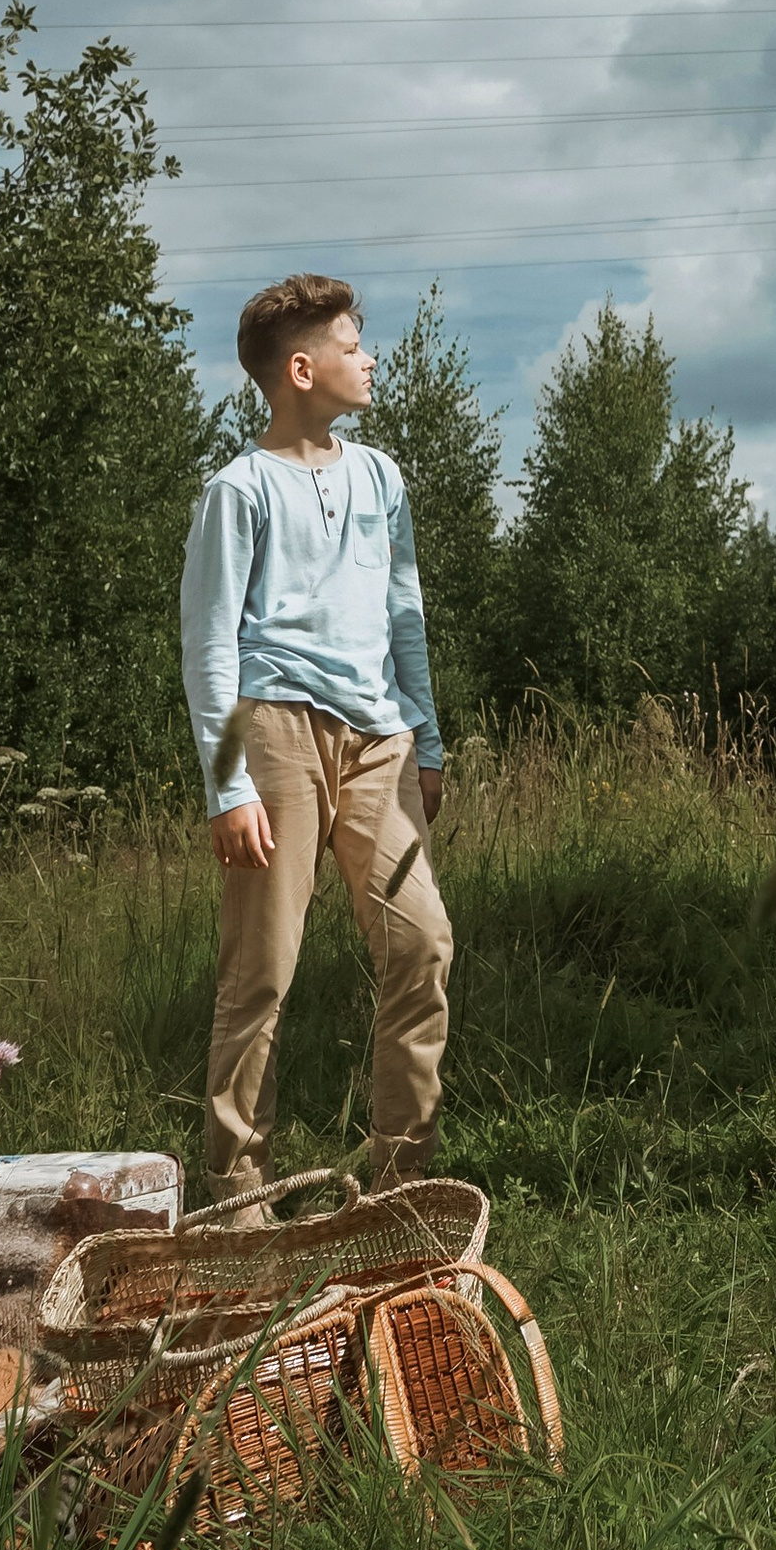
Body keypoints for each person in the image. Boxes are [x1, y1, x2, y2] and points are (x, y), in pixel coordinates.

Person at [180, 273, 450, 1206]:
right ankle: (237, 1196)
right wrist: (228, 788)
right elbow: (209, 643)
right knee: (261, 973)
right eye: (350, 344)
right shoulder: (238, 489)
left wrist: (430, 740)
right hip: (276, 738)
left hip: (381, 740)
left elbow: (403, 612)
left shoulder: (381, 474)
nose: (367, 358)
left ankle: (399, 1186)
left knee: (422, 946)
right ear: (302, 368)